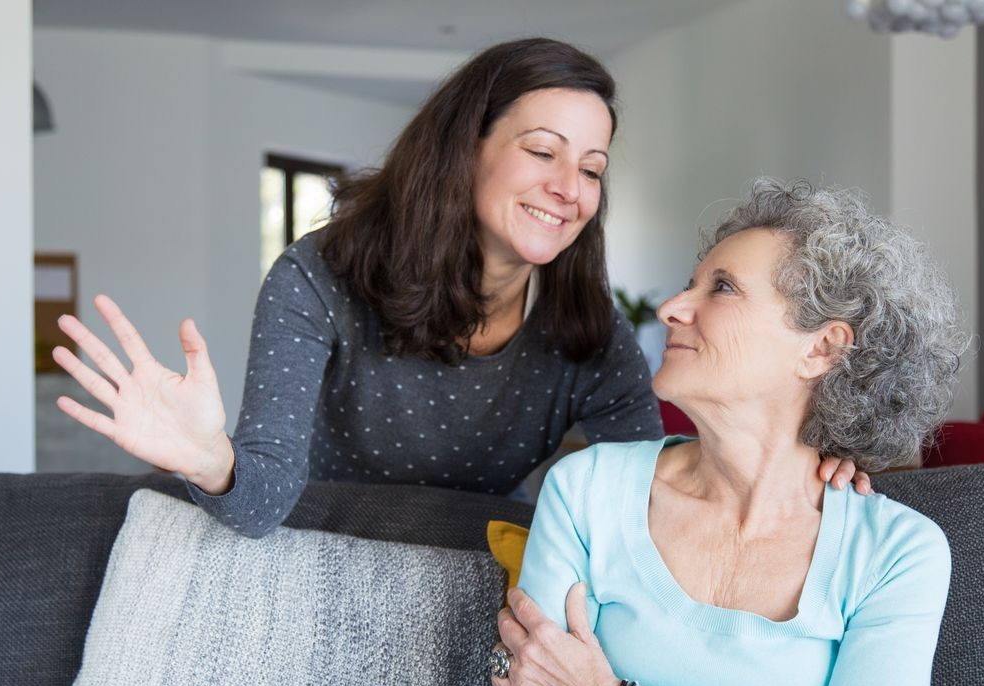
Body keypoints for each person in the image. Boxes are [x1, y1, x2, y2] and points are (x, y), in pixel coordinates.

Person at [52, 39, 862, 539]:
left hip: (475, 589)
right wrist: (211, 460)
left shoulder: (588, 331)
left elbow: (650, 496)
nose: (567, 187)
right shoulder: (317, 279)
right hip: (316, 562)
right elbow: (262, 504)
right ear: (465, 148)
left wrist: (799, 475)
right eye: (542, 151)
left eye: (590, 169)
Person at [489, 178, 966, 686]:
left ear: (822, 348)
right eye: (692, 283)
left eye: (721, 288)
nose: (671, 309)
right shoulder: (588, 487)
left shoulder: (899, 552)